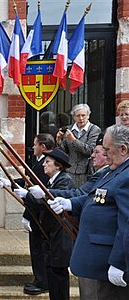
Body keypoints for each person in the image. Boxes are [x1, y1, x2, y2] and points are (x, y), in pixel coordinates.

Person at [49, 125, 129, 299]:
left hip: (107, 263)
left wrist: (119, 262)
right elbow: (94, 197)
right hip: (95, 260)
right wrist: (70, 203)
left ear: (123, 149)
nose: (104, 154)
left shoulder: (126, 175)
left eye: (107, 150)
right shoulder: (112, 170)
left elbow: (127, 225)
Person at [14, 148, 75, 300]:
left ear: (58, 166)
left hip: (60, 234)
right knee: (51, 272)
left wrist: (28, 195)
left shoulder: (64, 180)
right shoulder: (52, 180)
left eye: (48, 162)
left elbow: (47, 202)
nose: (44, 165)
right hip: (50, 233)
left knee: (58, 273)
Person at [0, 133, 54, 295]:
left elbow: (36, 190)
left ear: (43, 146)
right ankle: (39, 279)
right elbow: (28, 180)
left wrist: (27, 215)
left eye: (35, 144)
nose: (33, 147)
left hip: (39, 215)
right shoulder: (38, 162)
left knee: (39, 249)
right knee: (36, 248)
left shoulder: (47, 164)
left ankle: (43, 281)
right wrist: (11, 183)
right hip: (34, 212)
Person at [56, 104, 101, 187]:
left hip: (86, 171)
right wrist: (59, 140)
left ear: (88, 115)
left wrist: (74, 140)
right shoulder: (69, 129)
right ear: (74, 117)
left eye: (83, 115)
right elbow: (64, 152)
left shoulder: (94, 129)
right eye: (78, 116)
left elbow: (90, 150)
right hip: (70, 170)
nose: (81, 118)